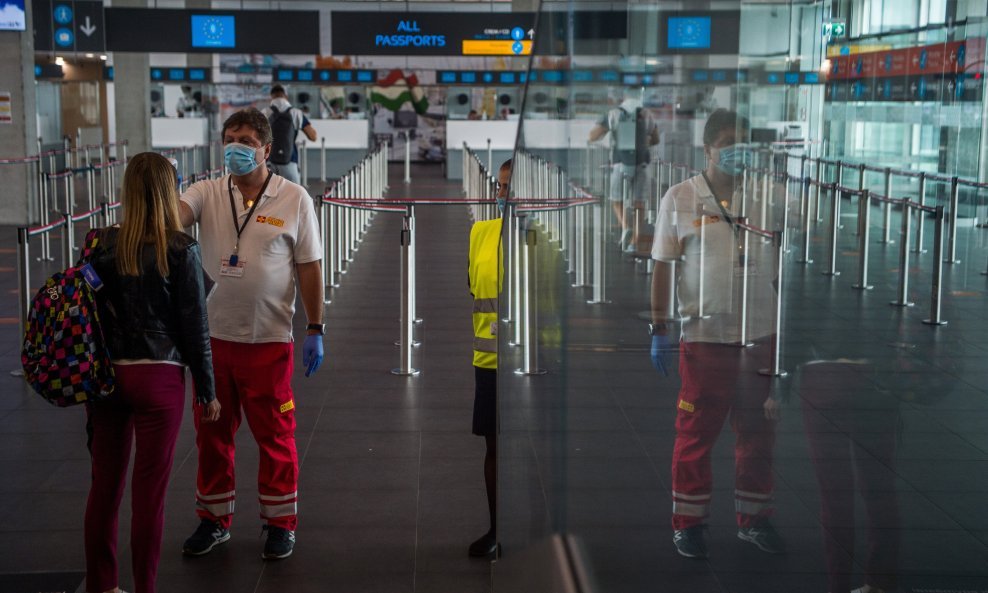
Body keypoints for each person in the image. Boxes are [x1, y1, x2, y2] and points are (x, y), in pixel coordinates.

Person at [178, 108, 325, 561]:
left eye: (244, 139)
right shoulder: (205, 191)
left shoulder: (293, 197)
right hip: (212, 341)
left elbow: (309, 267)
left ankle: (280, 523)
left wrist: (315, 327)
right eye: (229, 138)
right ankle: (214, 519)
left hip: (268, 340)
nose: (235, 147)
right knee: (212, 433)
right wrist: (159, 197)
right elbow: (176, 217)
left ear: (266, 149)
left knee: (275, 435)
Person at [649, 108, 784, 559]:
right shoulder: (681, 198)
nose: (736, 151)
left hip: (759, 335)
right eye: (727, 142)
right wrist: (660, 326)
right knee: (695, 434)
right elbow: (663, 265)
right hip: (705, 339)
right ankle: (688, 523)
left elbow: (785, 265)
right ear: (707, 149)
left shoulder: (765, 197)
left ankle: (754, 520)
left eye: (743, 142)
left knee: (758, 436)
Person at [84, 151, 220, 593]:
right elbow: (195, 327)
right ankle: (145, 585)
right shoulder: (180, 249)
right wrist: (207, 389)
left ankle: (104, 584)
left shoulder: (99, 243)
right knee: (149, 493)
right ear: (168, 191)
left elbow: (87, 313)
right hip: (158, 378)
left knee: (104, 486)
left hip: (106, 378)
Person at [466, 159, 511, 557]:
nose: (503, 195)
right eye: (499, 187)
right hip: (489, 361)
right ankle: (496, 529)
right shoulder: (480, 232)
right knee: (494, 447)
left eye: (510, 188)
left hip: (528, 361)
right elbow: (473, 288)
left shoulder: (542, 235)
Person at [588, 87, 659, 252]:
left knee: (615, 199)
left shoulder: (613, 113)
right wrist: (642, 143)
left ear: (623, 97)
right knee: (639, 203)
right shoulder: (647, 114)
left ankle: (625, 225)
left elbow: (593, 136)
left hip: (620, 163)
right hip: (642, 163)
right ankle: (635, 240)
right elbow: (655, 139)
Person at [262, 84, 318, 185]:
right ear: (286, 96)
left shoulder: (264, 113)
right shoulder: (296, 113)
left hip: (269, 162)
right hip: (290, 161)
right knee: (293, 196)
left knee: (267, 196)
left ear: (271, 96)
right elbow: (313, 137)